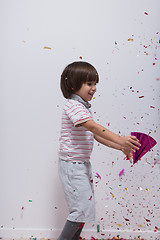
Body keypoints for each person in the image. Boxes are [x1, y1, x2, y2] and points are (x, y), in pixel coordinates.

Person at [57, 61, 140, 240]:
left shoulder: (82, 108)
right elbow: (94, 128)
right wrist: (121, 138)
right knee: (80, 210)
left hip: (81, 165)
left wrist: (121, 147)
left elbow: (96, 136)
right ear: (73, 85)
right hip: (72, 166)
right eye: (89, 83)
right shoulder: (73, 105)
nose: (94, 88)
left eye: (95, 84)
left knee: (84, 210)